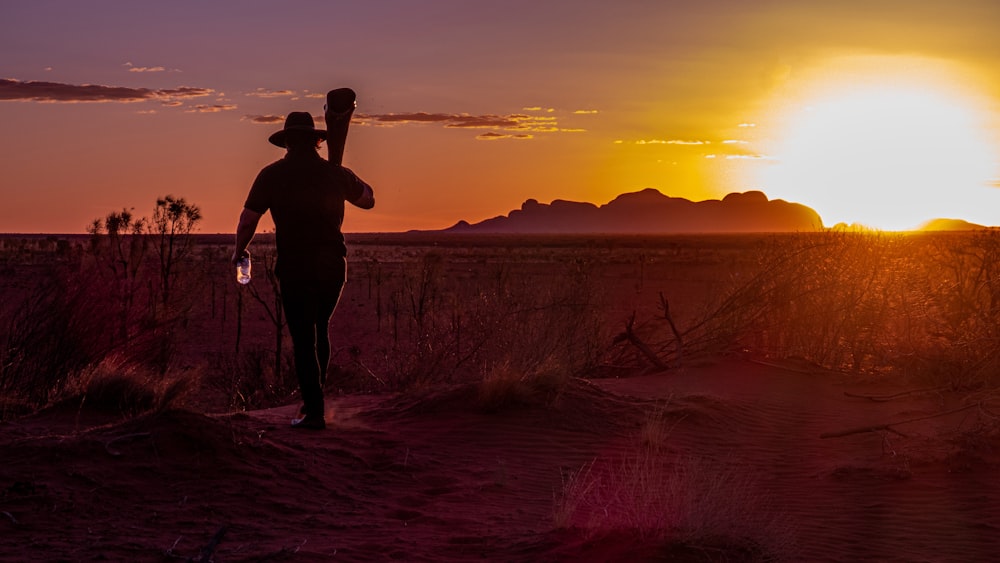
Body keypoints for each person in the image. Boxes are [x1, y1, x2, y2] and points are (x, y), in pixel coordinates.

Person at [233, 111, 374, 430]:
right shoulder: (336, 173)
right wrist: (348, 176)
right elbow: (368, 200)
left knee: (303, 336)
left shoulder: (271, 175)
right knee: (319, 327)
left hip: (296, 264)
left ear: (287, 142)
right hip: (333, 264)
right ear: (316, 140)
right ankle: (315, 401)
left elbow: (247, 220)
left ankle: (313, 411)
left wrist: (239, 250)